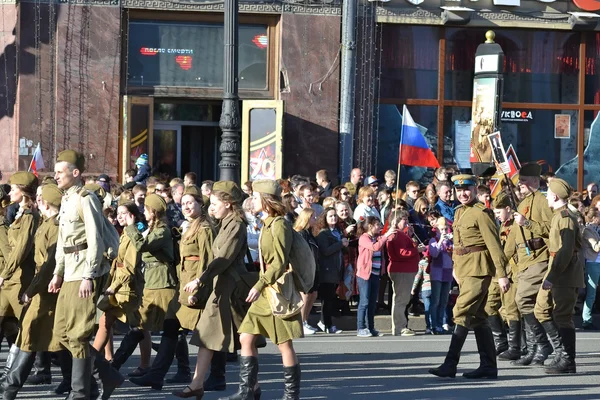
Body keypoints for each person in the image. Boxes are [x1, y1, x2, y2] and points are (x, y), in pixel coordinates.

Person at [49, 150, 123, 399]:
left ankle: (81, 392)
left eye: (60, 171)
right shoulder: (67, 199)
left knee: (78, 332)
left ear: (76, 173)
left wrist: (89, 275)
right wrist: (57, 272)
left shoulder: (86, 198)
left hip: (83, 271)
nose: (56, 176)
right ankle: (107, 376)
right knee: (61, 332)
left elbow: (95, 239)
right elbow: (62, 242)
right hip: (69, 271)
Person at [172, 181, 254, 399]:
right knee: (208, 335)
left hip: (231, 289)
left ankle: (250, 388)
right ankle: (198, 383)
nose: (211, 207)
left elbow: (223, 258)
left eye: (215, 203)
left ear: (228, 204)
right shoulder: (225, 222)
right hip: (222, 287)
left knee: (247, 338)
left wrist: (200, 280)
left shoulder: (235, 224)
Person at [129, 186, 214, 390]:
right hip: (183, 285)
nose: (185, 206)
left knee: (211, 332)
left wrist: (198, 289)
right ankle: (157, 375)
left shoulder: (204, 229)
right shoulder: (189, 227)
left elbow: (207, 262)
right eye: (183, 203)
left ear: (200, 204)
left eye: (190, 203)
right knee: (171, 325)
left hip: (196, 287)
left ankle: (217, 374)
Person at [429, 174, 509, 380]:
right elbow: (459, 244)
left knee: (461, 310)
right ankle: (489, 366)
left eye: (467, 189)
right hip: (465, 269)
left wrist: (502, 275)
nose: (463, 194)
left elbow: (494, 245)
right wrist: (456, 267)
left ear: (474, 190)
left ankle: (450, 364)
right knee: (479, 317)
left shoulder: (481, 213)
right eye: (458, 190)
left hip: (479, 269)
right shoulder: (458, 212)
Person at [230, 179, 302, 400]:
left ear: (266, 200)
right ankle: (248, 391)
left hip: (276, 290)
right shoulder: (268, 222)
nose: (252, 200)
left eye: (255, 196)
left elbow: (279, 263)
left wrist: (259, 285)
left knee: (283, 344)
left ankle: (291, 396)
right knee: (246, 338)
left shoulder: (279, 224)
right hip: (266, 288)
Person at [0, 184, 61, 399]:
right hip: (37, 284)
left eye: (41, 197)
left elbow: (47, 263)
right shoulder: (45, 222)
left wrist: (30, 289)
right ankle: (86, 381)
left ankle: (10, 386)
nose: (38, 200)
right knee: (45, 335)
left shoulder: (53, 226)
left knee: (37, 332)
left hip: (42, 286)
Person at [503, 163, 554, 367]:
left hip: (539, 258)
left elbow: (552, 229)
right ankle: (534, 348)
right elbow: (513, 239)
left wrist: (528, 223)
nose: (520, 184)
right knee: (525, 303)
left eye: (524, 181)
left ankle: (542, 345)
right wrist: (500, 262)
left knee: (522, 299)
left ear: (534, 181)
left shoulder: (542, 201)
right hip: (522, 262)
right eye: (519, 181)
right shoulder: (524, 202)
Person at [124, 193, 178, 378]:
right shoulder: (153, 228)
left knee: (171, 327)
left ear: (153, 212)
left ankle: (183, 369)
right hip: (151, 281)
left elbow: (142, 246)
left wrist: (131, 227)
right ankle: (139, 366)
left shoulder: (162, 231)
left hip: (163, 283)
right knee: (142, 324)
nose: (143, 212)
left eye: (146, 209)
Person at [535, 178, 584, 374]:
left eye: (547, 192)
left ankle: (567, 360)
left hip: (564, 272)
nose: (546, 195)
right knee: (541, 309)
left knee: (563, 316)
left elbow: (564, 251)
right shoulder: (558, 216)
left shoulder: (565, 218)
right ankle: (560, 352)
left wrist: (552, 277)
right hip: (555, 269)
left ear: (554, 195)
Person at [92, 201, 145, 373]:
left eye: (123, 213)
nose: (119, 217)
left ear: (133, 215)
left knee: (138, 327)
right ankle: (100, 363)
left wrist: (113, 287)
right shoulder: (124, 234)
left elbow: (128, 267)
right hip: (120, 286)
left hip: (125, 288)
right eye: (118, 214)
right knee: (107, 323)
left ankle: (104, 364)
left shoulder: (131, 234)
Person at [492, 193, 523, 361]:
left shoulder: (514, 226)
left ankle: (516, 347)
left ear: (508, 209)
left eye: (499, 212)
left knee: (512, 309)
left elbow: (507, 251)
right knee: (495, 306)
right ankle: (504, 343)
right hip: (501, 271)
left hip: (511, 272)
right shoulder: (503, 226)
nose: (497, 216)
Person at [356, 216, 395, 337]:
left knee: (372, 302)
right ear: (370, 226)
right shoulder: (364, 238)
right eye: (377, 225)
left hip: (376, 273)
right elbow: (375, 247)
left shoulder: (377, 237)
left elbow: (388, 239)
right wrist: (386, 234)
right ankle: (361, 327)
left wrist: (392, 229)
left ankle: (371, 327)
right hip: (365, 274)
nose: (380, 227)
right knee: (364, 302)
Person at [386, 210, 422, 336]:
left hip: (407, 269)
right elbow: (402, 253)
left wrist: (411, 237)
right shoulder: (395, 234)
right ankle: (399, 327)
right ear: (395, 221)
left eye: (407, 219)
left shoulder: (403, 234)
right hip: (401, 269)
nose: (406, 222)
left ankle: (401, 325)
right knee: (401, 299)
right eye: (403, 219)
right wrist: (416, 250)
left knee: (403, 299)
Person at [315, 208, 347, 334]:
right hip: (327, 270)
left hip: (336, 269)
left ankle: (325, 322)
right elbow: (326, 251)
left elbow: (339, 249)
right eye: (330, 216)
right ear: (325, 218)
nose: (333, 218)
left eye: (335, 216)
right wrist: (340, 244)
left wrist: (344, 244)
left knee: (330, 299)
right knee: (327, 299)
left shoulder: (337, 231)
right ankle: (326, 323)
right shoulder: (323, 233)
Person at [293, 209, 320, 335]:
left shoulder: (310, 234)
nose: (315, 219)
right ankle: (301, 323)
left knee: (313, 294)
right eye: (313, 217)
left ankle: (305, 320)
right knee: (306, 295)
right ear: (307, 218)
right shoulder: (300, 233)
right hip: (305, 268)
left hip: (314, 267)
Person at [428, 217, 454, 335]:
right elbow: (434, 253)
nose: (444, 232)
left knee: (444, 301)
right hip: (437, 273)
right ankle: (434, 325)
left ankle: (440, 323)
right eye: (442, 229)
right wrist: (440, 241)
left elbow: (455, 254)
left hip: (448, 273)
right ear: (437, 229)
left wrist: (453, 243)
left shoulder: (450, 241)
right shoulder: (433, 240)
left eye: (446, 229)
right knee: (436, 301)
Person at [581, 208, 600, 330]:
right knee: (591, 293)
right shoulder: (587, 230)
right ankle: (586, 320)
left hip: (597, 262)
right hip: (592, 263)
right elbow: (596, 248)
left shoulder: (596, 229)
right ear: (593, 218)